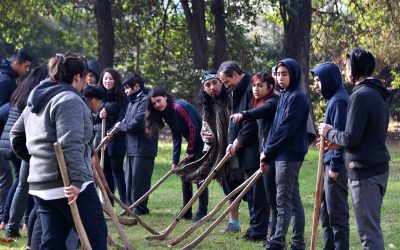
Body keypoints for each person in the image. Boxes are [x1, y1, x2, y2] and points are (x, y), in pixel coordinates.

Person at [10, 53, 107, 249]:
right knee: (96, 237)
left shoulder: (37, 99)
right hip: (68, 185)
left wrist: (39, 162)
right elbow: (70, 143)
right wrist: (78, 180)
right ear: (78, 77)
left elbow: (16, 136)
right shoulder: (68, 99)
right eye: (84, 78)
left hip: (41, 185)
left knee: (54, 243)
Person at [319, 48, 391, 249]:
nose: (344, 71)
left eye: (346, 66)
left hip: (365, 172)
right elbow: (366, 135)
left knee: (368, 234)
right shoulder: (378, 92)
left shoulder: (360, 96)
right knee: (372, 227)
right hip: (377, 167)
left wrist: (329, 132)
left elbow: (350, 137)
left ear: (353, 70)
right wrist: (337, 142)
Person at [260, 58, 309, 250]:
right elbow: (275, 127)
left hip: (290, 155)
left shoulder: (297, 97)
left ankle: (277, 241)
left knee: (283, 200)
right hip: (280, 154)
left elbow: (286, 129)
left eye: (285, 74)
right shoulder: (285, 95)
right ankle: (298, 242)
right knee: (293, 199)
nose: (280, 78)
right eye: (278, 74)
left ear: (294, 74)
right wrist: (267, 153)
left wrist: (268, 151)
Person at [218, 61, 269, 241]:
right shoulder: (235, 92)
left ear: (235, 75)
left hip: (254, 148)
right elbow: (234, 121)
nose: (225, 86)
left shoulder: (252, 87)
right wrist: (231, 142)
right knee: (250, 190)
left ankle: (258, 231)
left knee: (257, 192)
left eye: (226, 82)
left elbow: (252, 122)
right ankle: (255, 228)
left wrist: (238, 142)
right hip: (243, 148)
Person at [0, 65, 48, 239]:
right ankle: (16, 224)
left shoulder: (22, 90)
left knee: (21, 184)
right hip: (26, 145)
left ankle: (12, 224)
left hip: (12, 143)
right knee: (24, 185)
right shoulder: (36, 94)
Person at [145, 87, 208, 221]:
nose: (157, 105)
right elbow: (176, 137)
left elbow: (193, 127)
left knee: (199, 177)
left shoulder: (179, 107)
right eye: (154, 103)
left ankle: (203, 212)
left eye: (158, 100)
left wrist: (190, 150)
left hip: (203, 143)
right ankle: (187, 211)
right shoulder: (165, 113)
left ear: (165, 97)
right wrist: (174, 161)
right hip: (193, 145)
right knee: (185, 177)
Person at [230, 71, 279, 239]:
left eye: (260, 85)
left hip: (270, 154)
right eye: (254, 85)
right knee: (253, 194)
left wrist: (243, 114)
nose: (256, 89)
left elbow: (260, 112)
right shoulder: (257, 101)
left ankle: (260, 231)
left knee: (261, 195)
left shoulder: (273, 101)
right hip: (261, 152)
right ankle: (255, 228)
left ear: (270, 87)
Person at [194, 70, 242, 226]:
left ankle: (266, 221)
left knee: (250, 187)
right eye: (208, 85)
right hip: (220, 153)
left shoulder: (232, 100)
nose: (212, 87)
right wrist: (205, 135)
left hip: (238, 148)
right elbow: (205, 127)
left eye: (215, 83)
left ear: (221, 83)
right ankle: (234, 222)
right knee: (228, 187)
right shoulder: (207, 106)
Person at [311, 62, 350, 249]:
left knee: (337, 217)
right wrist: (326, 144)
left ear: (329, 79)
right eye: (315, 80)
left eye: (319, 80)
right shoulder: (333, 99)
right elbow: (332, 135)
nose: (316, 84)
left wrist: (335, 167)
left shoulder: (339, 100)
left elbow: (341, 136)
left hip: (336, 168)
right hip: (328, 163)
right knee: (325, 215)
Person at [114, 73, 158, 215]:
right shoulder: (131, 102)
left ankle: (140, 208)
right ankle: (130, 206)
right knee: (130, 180)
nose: (126, 91)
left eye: (128, 88)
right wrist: (121, 125)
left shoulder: (145, 100)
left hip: (144, 147)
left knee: (140, 181)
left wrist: (121, 126)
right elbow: (127, 120)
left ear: (137, 86)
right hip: (132, 146)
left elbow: (136, 123)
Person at [97, 68, 127, 204]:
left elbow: (122, 118)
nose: (108, 81)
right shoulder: (98, 96)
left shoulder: (121, 97)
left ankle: (125, 202)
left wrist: (111, 134)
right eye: (105, 78)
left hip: (116, 138)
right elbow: (92, 117)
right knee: (104, 170)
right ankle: (109, 202)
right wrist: (99, 114)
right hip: (100, 138)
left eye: (110, 78)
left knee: (116, 170)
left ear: (115, 80)